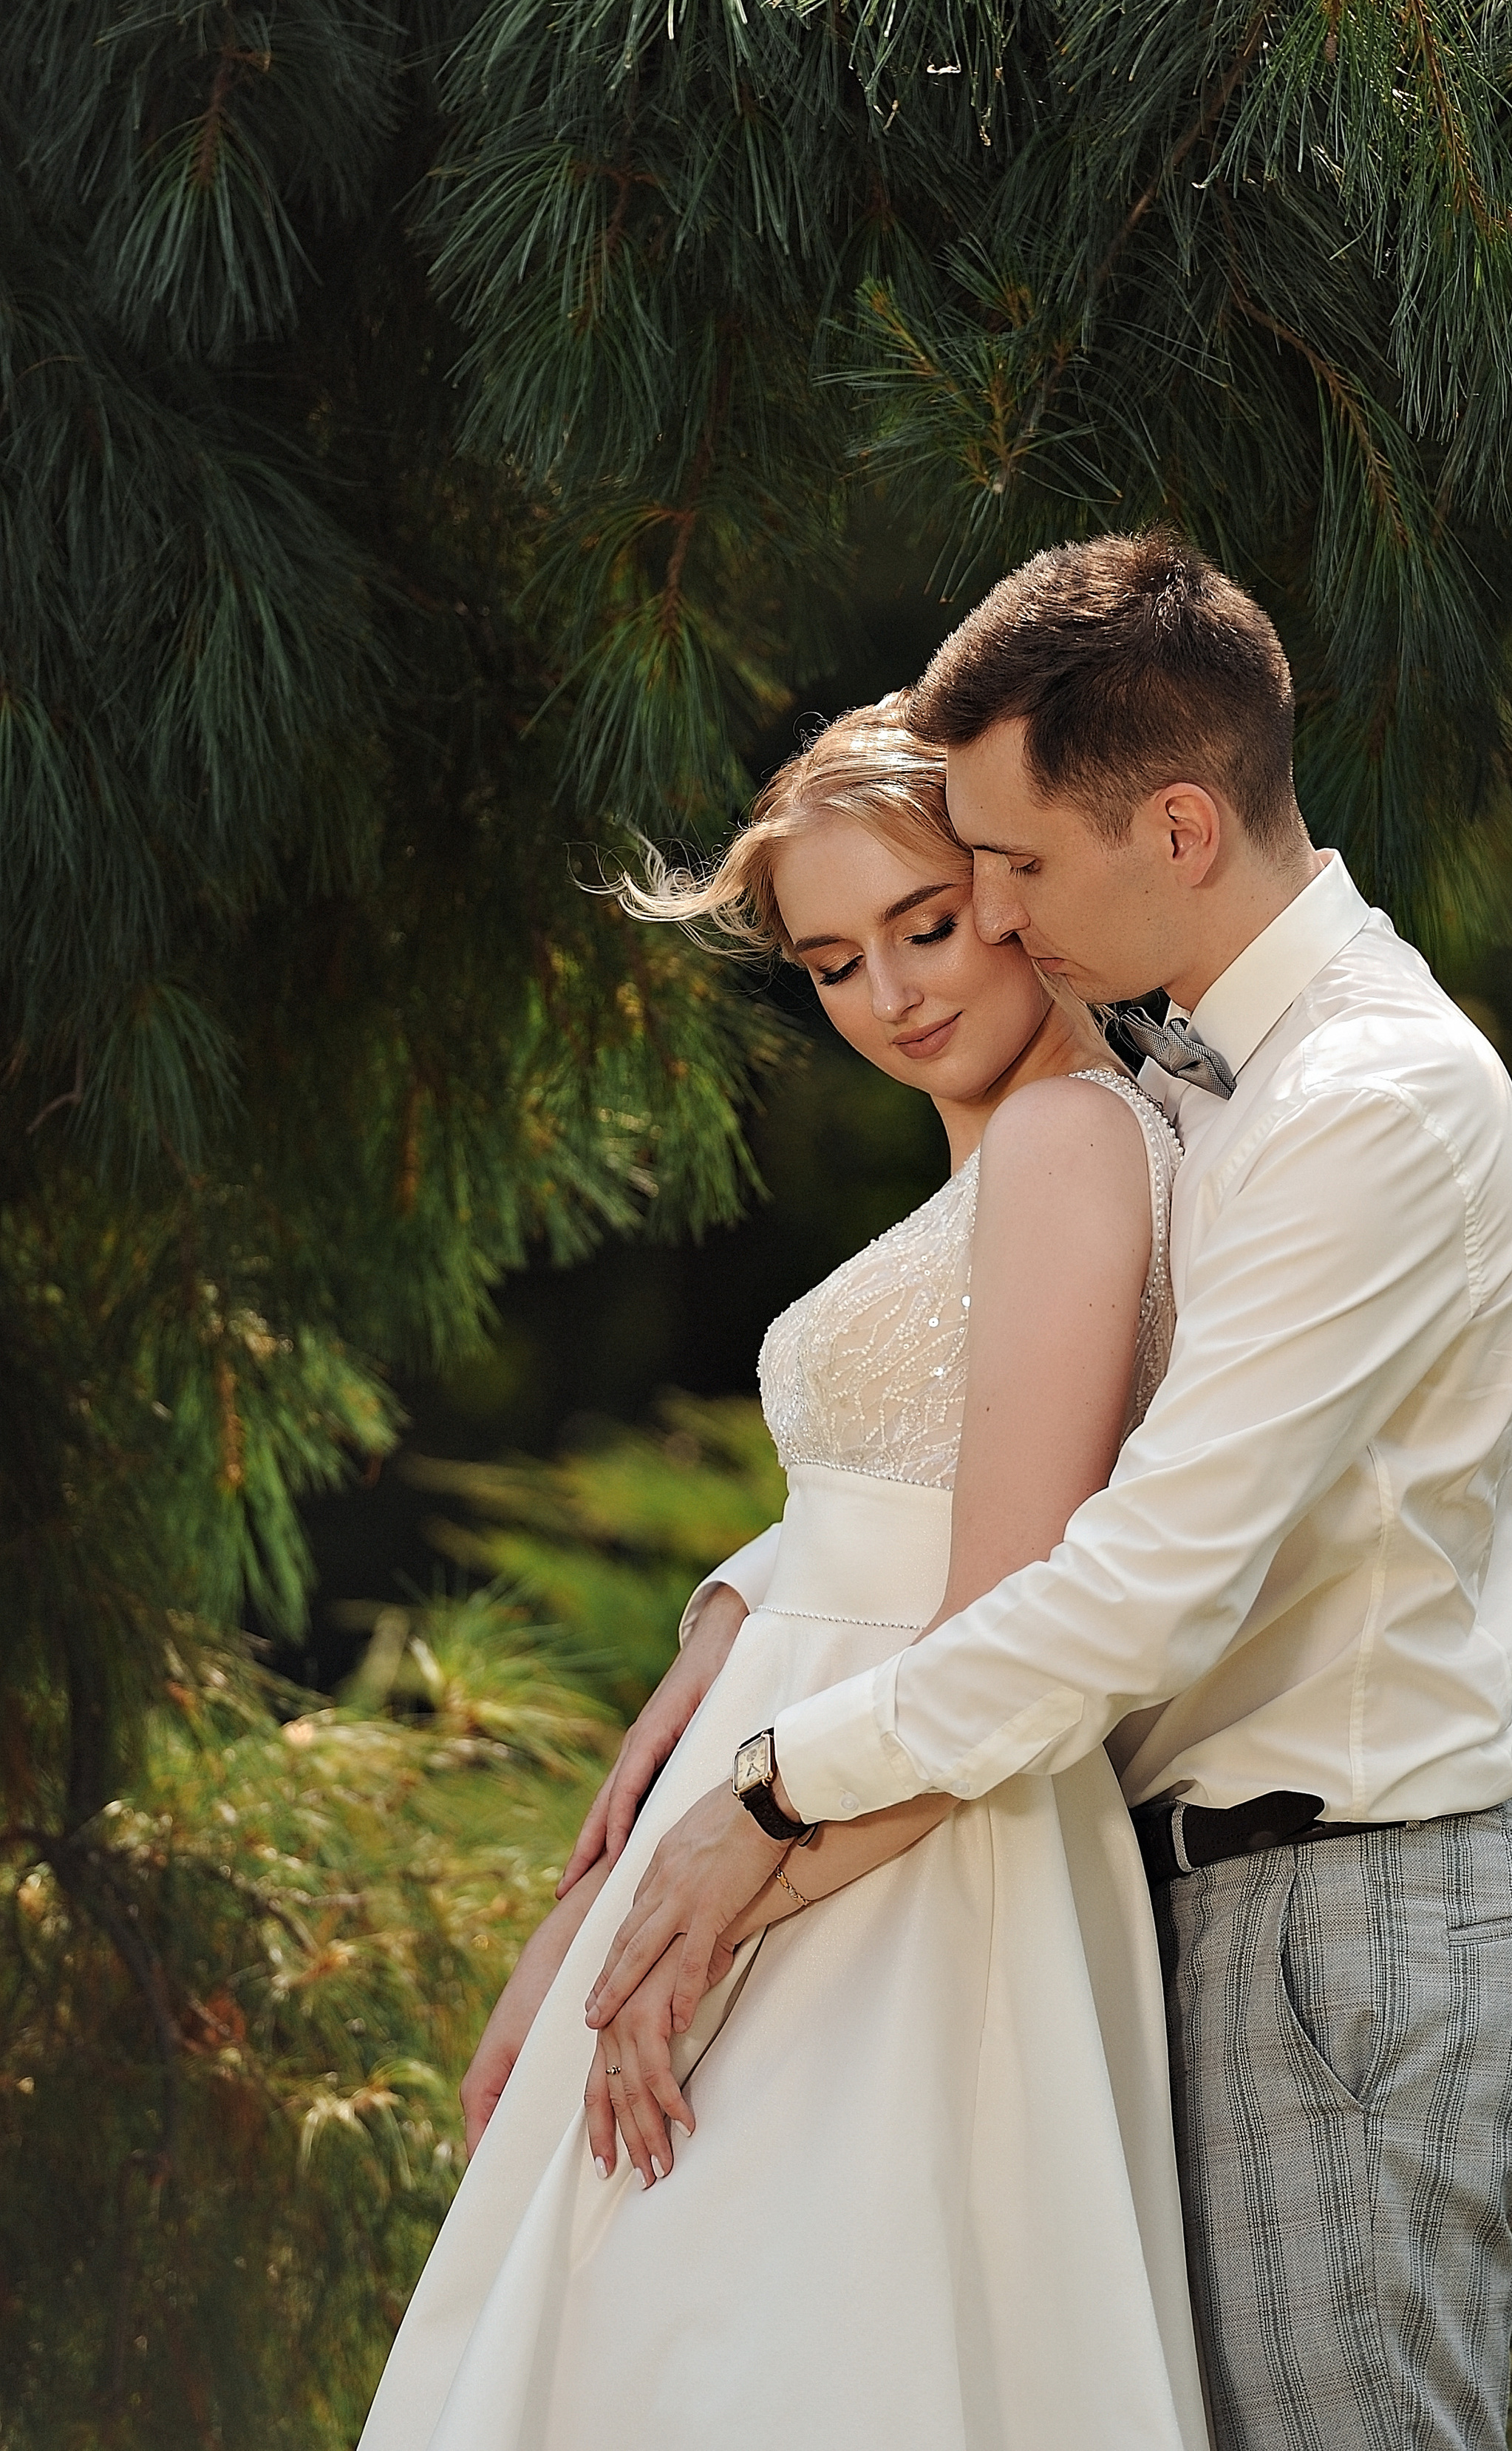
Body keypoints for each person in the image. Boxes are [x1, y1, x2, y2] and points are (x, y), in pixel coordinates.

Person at [584, 532, 1512, 2451]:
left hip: (1342, 1915)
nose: (997, 917)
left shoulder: (1362, 1105)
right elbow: (978, 1438)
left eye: (1017, 869)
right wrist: (742, 1606)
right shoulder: (1193, 1074)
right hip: (1184, 1897)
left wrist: (773, 1793)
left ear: (1180, 829)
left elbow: (1139, 1585)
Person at [357, 698, 1210, 2451]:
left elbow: (999, 1609)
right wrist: (721, 1636)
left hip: (895, 1846)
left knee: (767, 2354)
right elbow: (881, 1497)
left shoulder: (1067, 1139)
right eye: (831, 963)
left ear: (1009, 887)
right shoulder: (1000, 1155)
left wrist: (693, 1917)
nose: (889, 995)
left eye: (924, 924)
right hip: (787, 1792)